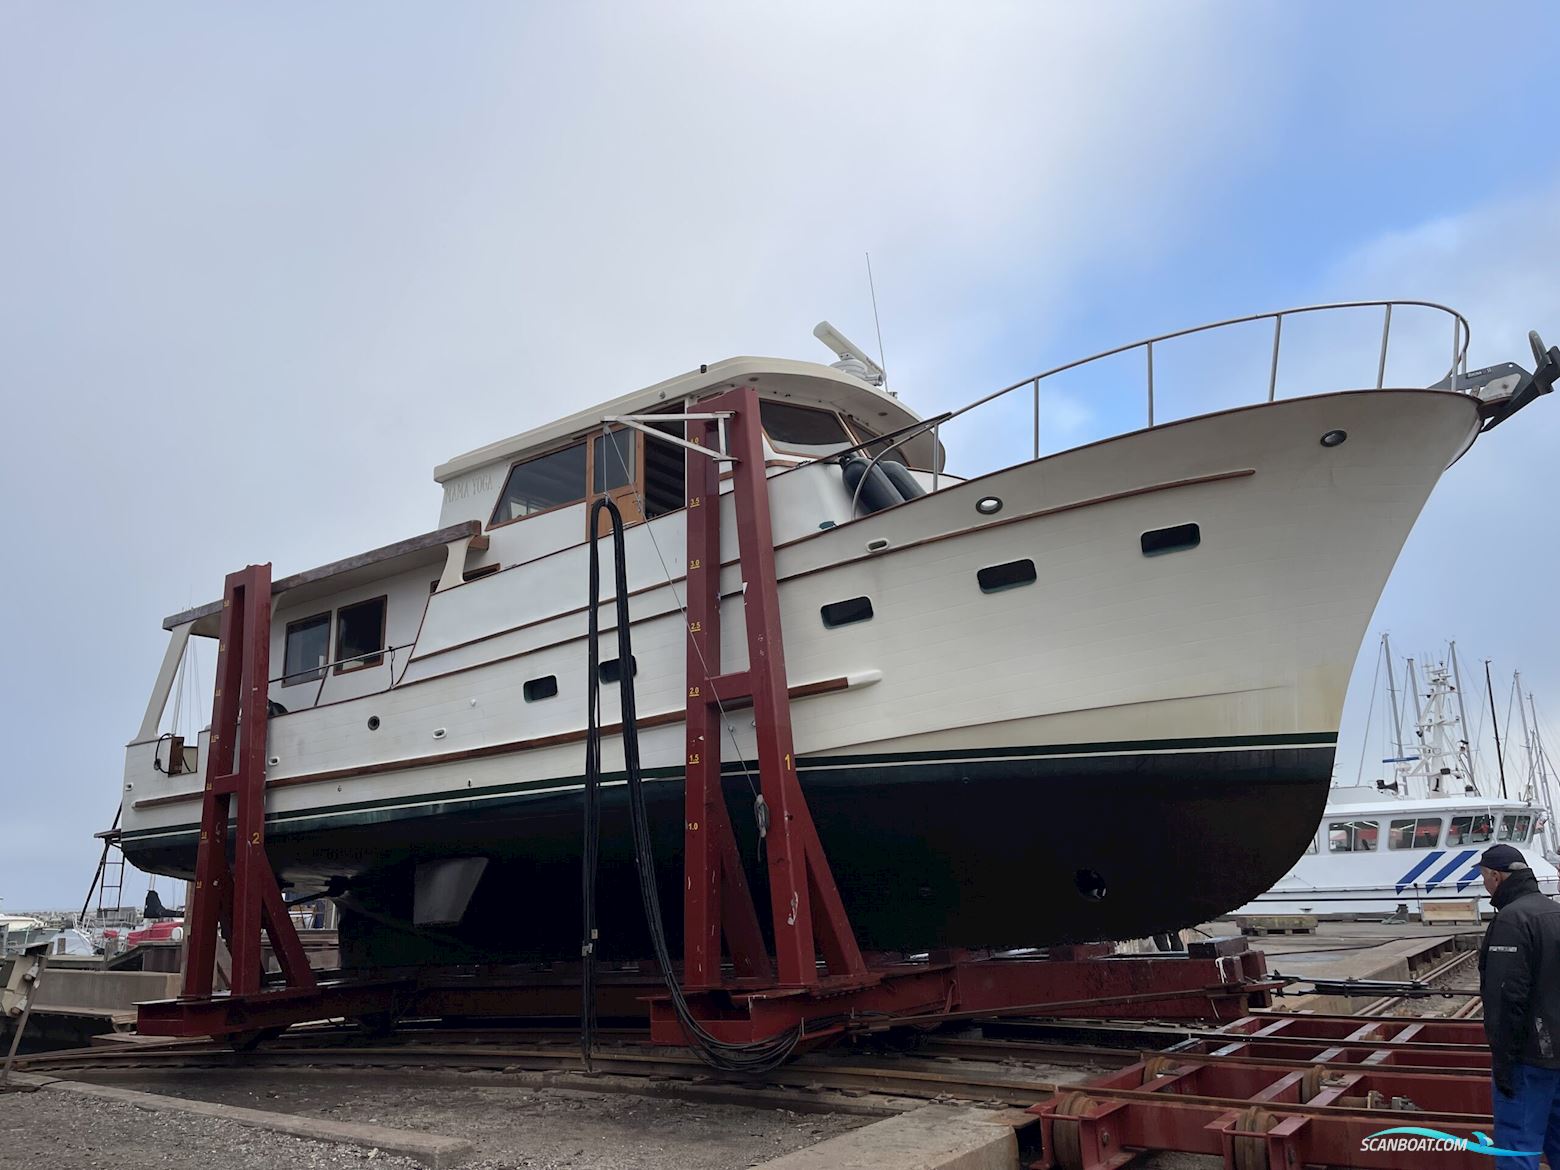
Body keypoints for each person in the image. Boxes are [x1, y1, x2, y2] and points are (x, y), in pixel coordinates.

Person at [1478, 842, 1560, 1168]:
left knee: (1517, 1145)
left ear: (1496, 877)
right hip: (1557, 1052)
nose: (1484, 885)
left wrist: (1503, 1061)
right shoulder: (1554, 912)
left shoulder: (1512, 921)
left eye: (1484, 877)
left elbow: (1505, 998)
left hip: (1529, 1059)